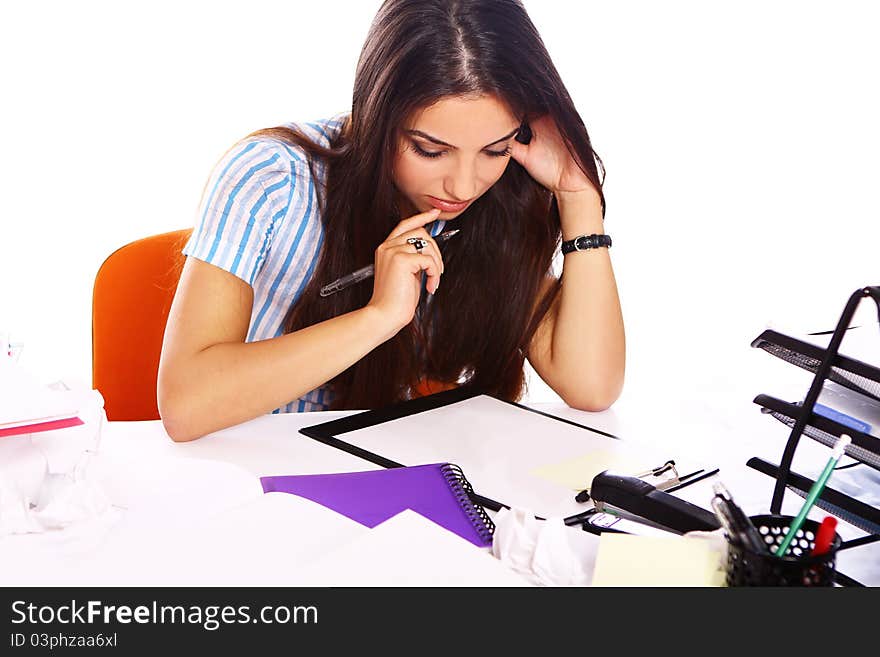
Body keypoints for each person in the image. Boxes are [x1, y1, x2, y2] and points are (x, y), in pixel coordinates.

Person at [158, 0, 625, 442]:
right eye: (430, 150)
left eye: (495, 149)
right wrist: (379, 317)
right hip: (250, 482)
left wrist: (577, 196)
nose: (463, 187)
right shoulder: (271, 178)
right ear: (377, 114)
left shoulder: (497, 203)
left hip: (392, 480)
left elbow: (592, 387)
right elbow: (185, 404)